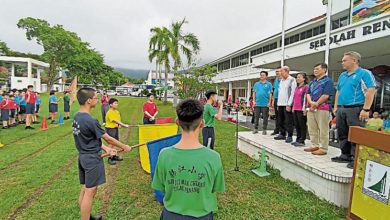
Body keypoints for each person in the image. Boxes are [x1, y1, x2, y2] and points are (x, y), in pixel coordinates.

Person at [152, 98, 225, 219]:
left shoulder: (164, 154)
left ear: (177, 122)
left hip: (170, 215)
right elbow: (213, 190)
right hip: (202, 216)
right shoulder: (214, 157)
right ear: (202, 123)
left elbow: (163, 189)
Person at [72, 88, 131, 220]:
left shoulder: (77, 116)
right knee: (90, 191)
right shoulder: (91, 120)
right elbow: (108, 138)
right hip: (92, 159)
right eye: (95, 98)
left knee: (85, 187)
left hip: (83, 157)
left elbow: (91, 138)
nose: (97, 100)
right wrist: (124, 146)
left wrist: (106, 149)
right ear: (89, 101)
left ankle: (87, 216)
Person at [332, 51, 376, 169]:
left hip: (356, 108)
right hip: (342, 109)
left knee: (356, 135)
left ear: (354, 60)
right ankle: (345, 155)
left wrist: (366, 109)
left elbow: (370, 91)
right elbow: (338, 91)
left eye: (344, 60)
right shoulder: (343, 75)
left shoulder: (364, 73)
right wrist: (336, 106)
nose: (342, 63)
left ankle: (355, 157)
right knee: (342, 133)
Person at [305, 63, 334, 155]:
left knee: (323, 129)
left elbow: (326, 95)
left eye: (317, 69)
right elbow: (308, 94)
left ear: (324, 69)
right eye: (314, 69)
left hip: (323, 108)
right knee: (312, 128)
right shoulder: (313, 82)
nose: (315, 71)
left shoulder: (328, 81)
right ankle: (314, 145)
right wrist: (311, 103)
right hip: (311, 108)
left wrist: (316, 104)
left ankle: (324, 148)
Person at [274, 66, 297, 143]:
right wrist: (278, 104)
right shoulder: (281, 81)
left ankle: (289, 135)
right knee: (281, 120)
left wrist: (289, 104)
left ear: (287, 71)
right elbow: (280, 93)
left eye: (281, 71)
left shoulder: (292, 80)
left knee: (288, 120)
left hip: (287, 104)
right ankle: (282, 133)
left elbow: (293, 93)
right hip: (280, 103)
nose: (280, 73)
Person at [105, 98, 129, 165]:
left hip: (115, 129)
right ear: (110, 105)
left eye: (117, 103)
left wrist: (119, 125)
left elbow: (118, 121)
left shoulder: (117, 112)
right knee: (111, 143)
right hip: (110, 129)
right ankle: (109, 158)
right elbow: (115, 120)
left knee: (115, 143)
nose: (117, 104)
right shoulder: (109, 112)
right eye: (115, 103)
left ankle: (114, 156)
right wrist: (123, 124)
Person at [252, 71, 273, 135]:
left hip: (265, 104)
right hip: (257, 103)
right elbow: (254, 93)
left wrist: (270, 102)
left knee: (265, 117)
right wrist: (254, 101)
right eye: (261, 75)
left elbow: (270, 94)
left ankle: (264, 129)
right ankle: (255, 128)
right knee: (256, 117)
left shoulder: (269, 84)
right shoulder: (256, 84)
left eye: (263, 75)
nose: (261, 76)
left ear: (266, 76)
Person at [291, 73, 309, 146]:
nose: (297, 79)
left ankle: (302, 140)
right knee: (297, 125)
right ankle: (298, 139)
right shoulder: (297, 87)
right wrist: (293, 107)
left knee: (302, 125)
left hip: (302, 109)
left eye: (299, 77)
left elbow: (307, 98)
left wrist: (306, 108)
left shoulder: (306, 87)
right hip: (295, 108)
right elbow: (295, 98)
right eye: (297, 77)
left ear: (304, 78)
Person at [271, 67, 282, 135]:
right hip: (276, 99)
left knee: (282, 115)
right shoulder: (276, 80)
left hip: (282, 99)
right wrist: (273, 100)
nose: (277, 73)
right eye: (276, 72)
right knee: (277, 115)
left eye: (278, 71)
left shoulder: (284, 80)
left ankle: (282, 130)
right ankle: (277, 129)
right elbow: (275, 90)